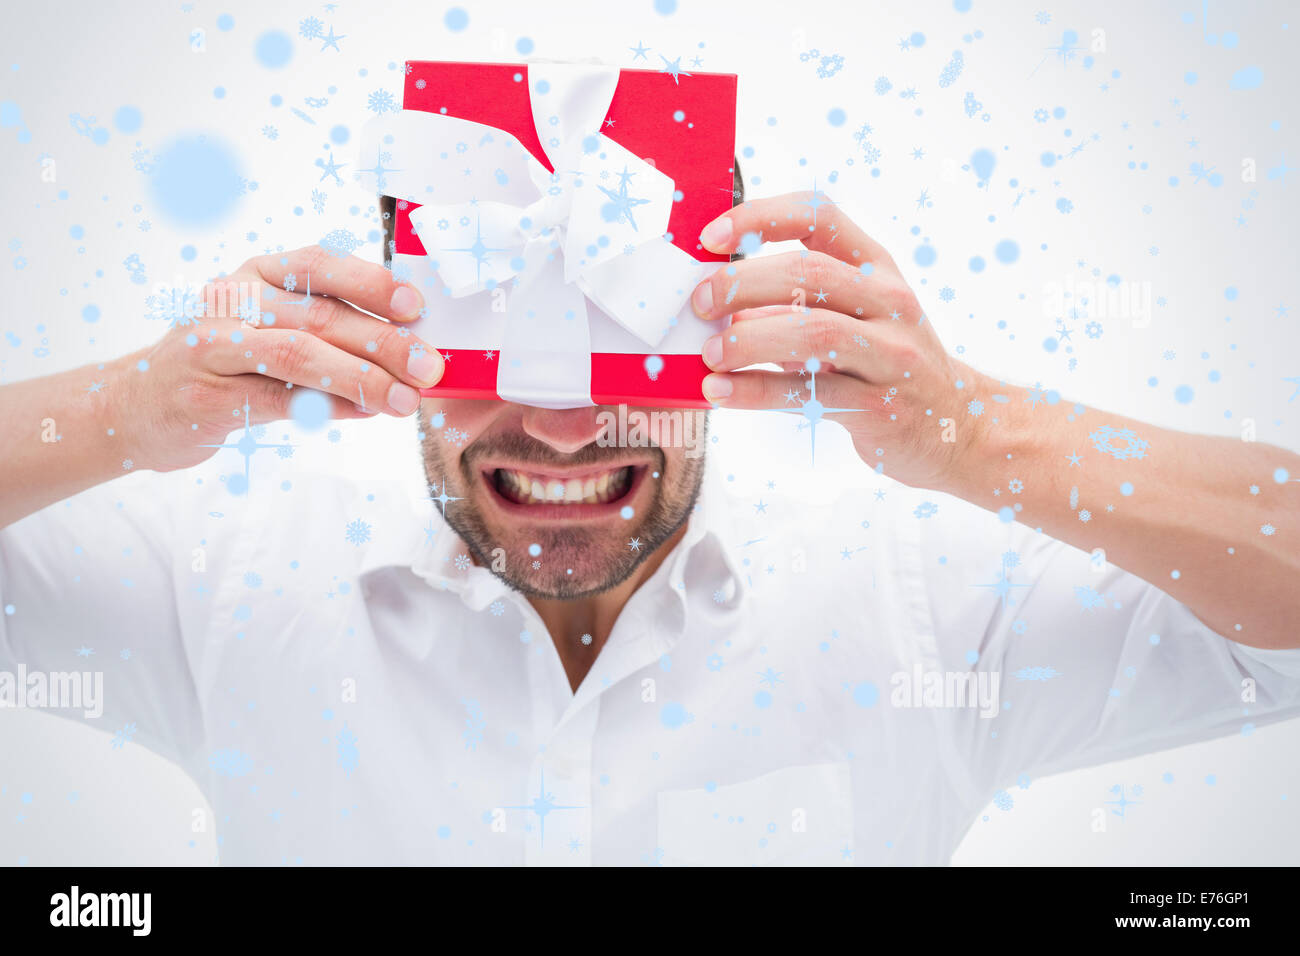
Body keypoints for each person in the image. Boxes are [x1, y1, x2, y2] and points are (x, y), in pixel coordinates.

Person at [1, 192, 1297, 865]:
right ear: (396, 344)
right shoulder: (231, 584)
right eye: (498, 351)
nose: (563, 433)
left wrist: (980, 433)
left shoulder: (922, 607)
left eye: (633, 362)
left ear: (728, 348)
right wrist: (119, 411)